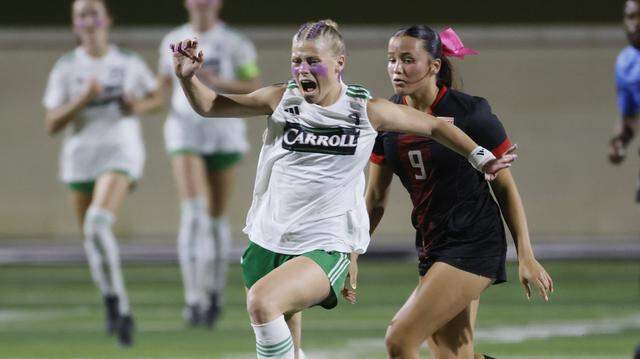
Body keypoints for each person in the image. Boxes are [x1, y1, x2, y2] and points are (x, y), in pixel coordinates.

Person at [169, 19, 515, 359]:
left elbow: (434, 127)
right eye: (297, 61)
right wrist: (188, 78)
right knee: (285, 343)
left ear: (339, 64)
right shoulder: (281, 99)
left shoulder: (366, 110)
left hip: (325, 244)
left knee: (263, 302)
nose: (302, 69)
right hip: (268, 238)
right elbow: (212, 106)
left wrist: (480, 157)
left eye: (313, 61)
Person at [354, 25, 553, 358]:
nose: (397, 69)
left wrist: (526, 255)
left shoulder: (470, 113)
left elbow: (504, 185)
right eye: (391, 60)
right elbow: (375, 196)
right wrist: (352, 251)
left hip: (474, 241)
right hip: (432, 244)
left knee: (399, 339)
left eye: (407, 59)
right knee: (453, 356)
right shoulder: (385, 117)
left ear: (434, 66)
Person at [42, 0, 160, 347]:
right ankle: (114, 301)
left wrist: (134, 105)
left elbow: (156, 98)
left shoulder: (127, 62)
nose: (88, 20)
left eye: (94, 13)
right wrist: (82, 99)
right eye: (81, 15)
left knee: (97, 223)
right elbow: (51, 123)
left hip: (120, 152)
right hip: (80, 158)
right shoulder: (66, 68)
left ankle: (120, 308)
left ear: (106, 19)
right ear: (74, 24)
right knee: (92, 240)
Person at [157, 0, 261, 327]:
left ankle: (214, 292)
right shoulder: (171, 39)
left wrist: (215, 81)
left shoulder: (235, 42)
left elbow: (252, 84)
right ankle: (193, 298)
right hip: (185, 130)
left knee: (216, 217)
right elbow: (161, 90)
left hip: (223, 130)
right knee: (193, 212)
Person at [611, 0, 640, 202]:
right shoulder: (627, 63)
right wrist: (620, 140)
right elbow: (631, 119)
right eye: (631, 16)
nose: (636, 23)